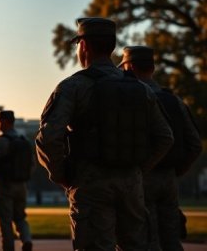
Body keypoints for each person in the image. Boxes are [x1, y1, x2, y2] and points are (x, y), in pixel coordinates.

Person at [35, 17, 174, 250]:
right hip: (131, 184)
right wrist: (138, 169)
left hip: (90, 182)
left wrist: (61, 175)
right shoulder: (141, 89)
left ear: (84, 45)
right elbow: (165, 137)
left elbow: (49, 137)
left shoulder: (73, 86)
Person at [119, 45, 202, 250]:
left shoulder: (128, 100)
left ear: (128, 67)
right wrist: (177, 170)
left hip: (140, 178)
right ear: (152, 68)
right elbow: (195, 144)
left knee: (148, 240)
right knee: (172, 240)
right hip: (169, 179)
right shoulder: (174, 101)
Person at [0, 110, 33, 251]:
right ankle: (26, 239)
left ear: (4, 122)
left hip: (3, 187)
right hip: (21, 186)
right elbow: (31, 165)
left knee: (5, 222)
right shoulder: (24, 142)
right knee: (20, 217)